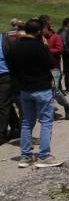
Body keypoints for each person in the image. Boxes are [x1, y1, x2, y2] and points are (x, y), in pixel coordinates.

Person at [6, 19, 64, 168]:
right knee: (45, 122)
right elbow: (51, 64)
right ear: (38, 32)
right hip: (42, 88)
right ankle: (44, 156)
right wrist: (45, 46)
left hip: (25, 89)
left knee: (26, 122)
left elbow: (12, 69)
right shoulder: (39, 46)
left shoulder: (14, 46)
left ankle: (25, 156)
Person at [39, 15, 69, 119]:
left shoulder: (55, 37)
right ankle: (51, 112)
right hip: (42, 69)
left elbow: (60, 49)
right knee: (46, 91)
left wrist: (46, 49)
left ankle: (67, 106)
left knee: (55, 90)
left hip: (54, 69)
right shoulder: (38, 38)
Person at [0, 31, 20, 143]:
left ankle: (1, 134)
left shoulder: (5, 40)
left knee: (3, 104)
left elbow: (15, 58)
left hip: (5, 76)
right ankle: (16, 126)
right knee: (5, 103)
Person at [58, 17, 69, 93]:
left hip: (67, 54)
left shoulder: (67, 31)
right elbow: (64, 44)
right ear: (68, 24)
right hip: (67, 54)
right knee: (67, 71)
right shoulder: (64, 32)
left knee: (68, 71)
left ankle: (68, 86)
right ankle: (67, 87)